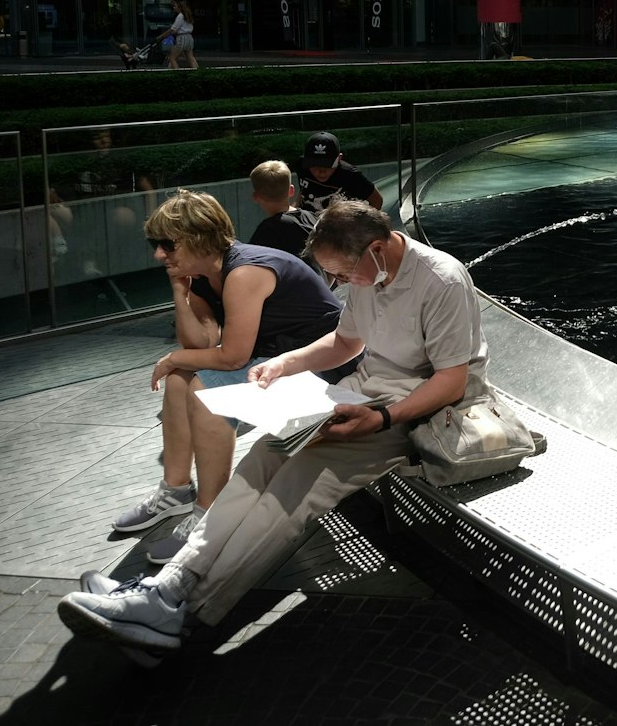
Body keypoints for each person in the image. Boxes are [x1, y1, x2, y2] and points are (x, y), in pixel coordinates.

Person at [57, 200, 490, 655]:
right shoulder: (367, 270)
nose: (339, 284)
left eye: (342, 275)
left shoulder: (441, 279)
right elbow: (346, 340)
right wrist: (287, 363)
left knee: (293, 488)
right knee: (264, 456)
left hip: (414, 410)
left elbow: (450, 380)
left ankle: (188, 613)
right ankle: (168, 585)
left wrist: (382, 418)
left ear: (377, 249)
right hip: (361, 392)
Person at [108, 190, 343, 565]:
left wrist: (174, 357)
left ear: (199, 237)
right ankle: (176, 491)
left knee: (205, 388)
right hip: (272, 358)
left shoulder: (246, 270)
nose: (158, 254)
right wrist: (178, 293)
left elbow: (230, 355)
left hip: (323, 365)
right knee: (181, 377)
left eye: (167, 244)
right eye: (157, 245)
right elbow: (201, 342)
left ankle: (210, 516)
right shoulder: (203, 275)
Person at [247, 160, 317, 263]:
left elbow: (250, 264)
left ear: (256, 197)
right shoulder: (311, 218)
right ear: (291, 190)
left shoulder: (267, 231)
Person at [296, 132, 382, 212]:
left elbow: (377, 200)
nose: (321, 172)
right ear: (306, 160)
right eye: (314, 164)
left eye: (328, 165)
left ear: (339, 159)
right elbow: (303, 191)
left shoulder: (350, 176)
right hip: (307, 222)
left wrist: (362, 226)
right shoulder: (302, 166)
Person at [166, 0, 198, 70]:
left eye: (175, 6)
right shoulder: (187, 15)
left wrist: (165, 35)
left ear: (179, 7)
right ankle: (197, 72)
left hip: (181, 38)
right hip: (189, 37)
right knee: (191, 57)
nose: (174, 8)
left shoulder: (180, 16)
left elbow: (173, 29)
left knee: (172, 58)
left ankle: (177, 72)